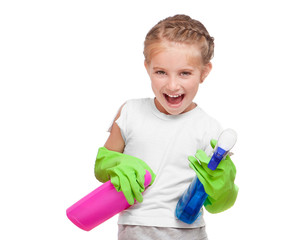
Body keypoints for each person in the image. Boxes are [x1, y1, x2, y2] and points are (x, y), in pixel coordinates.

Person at [94, 14, 238, 240]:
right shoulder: (129, 112)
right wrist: (116, 163)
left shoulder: (209, 128)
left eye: (185, 73)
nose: (172, 85)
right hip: (134, 229)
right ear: (147, 67)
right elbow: (100, 168)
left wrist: (223, 187)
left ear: (204, 72)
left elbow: (217, 205)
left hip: (187, 230)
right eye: (160, 72)